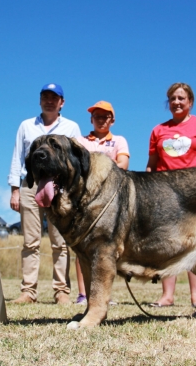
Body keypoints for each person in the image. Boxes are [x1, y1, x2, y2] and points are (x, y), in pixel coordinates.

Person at [146, 83, 196, 308]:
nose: (176, 102)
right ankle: (167, 296)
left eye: (181, 98)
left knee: (194, 243)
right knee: (167, 243)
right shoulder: (158, 130)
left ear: (190, 102)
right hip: (165, 193)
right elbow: (151, 166)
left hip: (194, 193)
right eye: (172, 99)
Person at [8, 83, 81, 304]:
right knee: (31, 242)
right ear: (40, 100)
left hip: (61, 187)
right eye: (45, 97)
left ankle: (61, 292)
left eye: (54, 97)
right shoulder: (26, 126)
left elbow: (78, 158)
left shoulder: (71, 127)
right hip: (31, 184)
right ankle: (28, 291)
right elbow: (17, 157)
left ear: (62, 102)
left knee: (60, 242)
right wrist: (14, 190)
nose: (49, 100)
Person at [74, 101, 130, 305]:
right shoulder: (79, 141)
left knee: (107, 249)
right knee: (82, 247)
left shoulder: (119, 141)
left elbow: (123, 165)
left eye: (105, 116)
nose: (101, 119)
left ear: (112, 121)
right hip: (84, 203)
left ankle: (104, 295)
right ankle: (83, 294)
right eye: (97, 116)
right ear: (91, 119)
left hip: (112, 203)